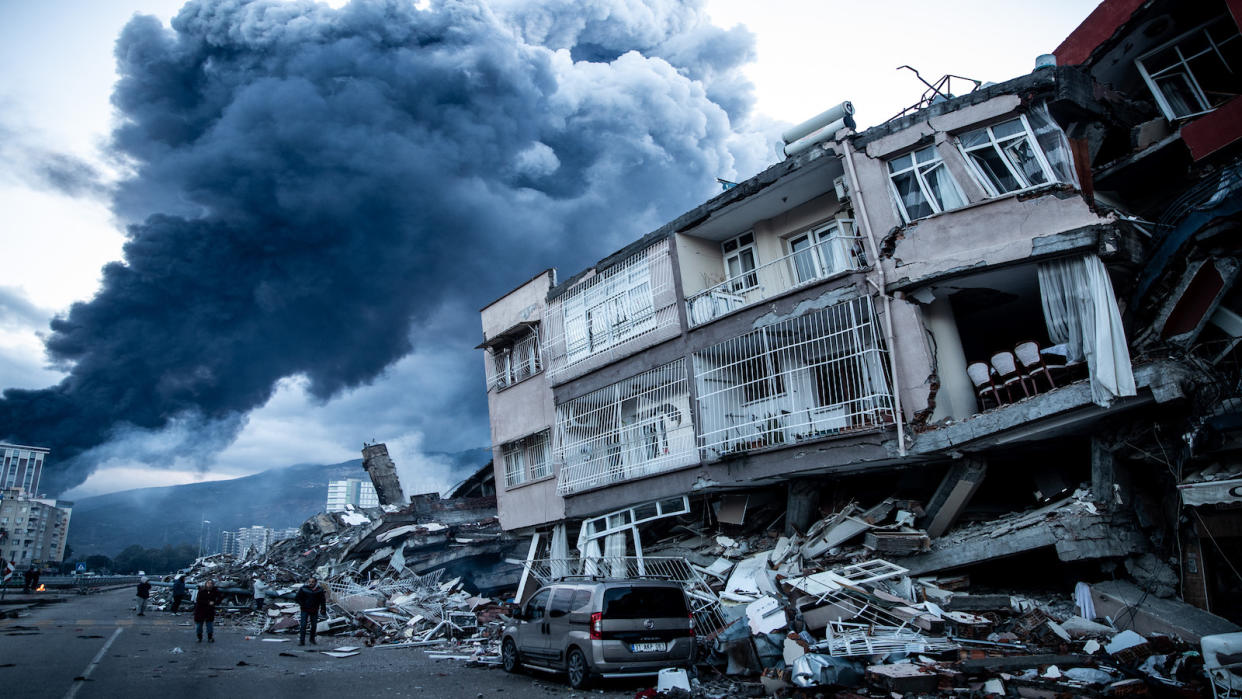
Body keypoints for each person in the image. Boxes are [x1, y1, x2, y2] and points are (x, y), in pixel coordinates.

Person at [294, 577, 327, 646]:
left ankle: (312, 639)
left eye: (312, 582)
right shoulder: (303, 589)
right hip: (304, 609)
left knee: (314, 625)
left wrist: (323, 609)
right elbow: (297, 598)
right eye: (309, 582)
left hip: (314, 609)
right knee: (303, 625)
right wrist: (302, 604)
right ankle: (302, 641)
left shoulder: (319, 590)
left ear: (315, 582)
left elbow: (322, 600)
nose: (311, 583)